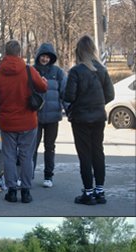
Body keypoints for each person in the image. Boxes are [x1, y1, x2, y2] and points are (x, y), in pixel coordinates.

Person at [0, 40, 47, 203]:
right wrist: (44, 82)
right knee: (27, 156)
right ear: (19, 53)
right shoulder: (29, 71)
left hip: (7, 123)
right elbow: (43, 88)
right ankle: (26, 192)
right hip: (28, 122)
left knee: (9, 156)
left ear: (5, 54)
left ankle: (12, 191)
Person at [61, 35, 115, 205]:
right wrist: (97, 104)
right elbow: (110, 95)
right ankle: (100, 191)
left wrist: (77, 106)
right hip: (98, 117)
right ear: (93, 50)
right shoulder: (102, 70)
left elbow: (69, 95)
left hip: (81, 119)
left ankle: (88, 193)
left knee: (85, 155)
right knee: (98, 153)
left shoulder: (76, 71)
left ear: (78, 51)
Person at [32, 43, 67, 188]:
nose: (45, 59)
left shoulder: (58, 72)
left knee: (50, 147)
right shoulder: (32, 71)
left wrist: (69, 111)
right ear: (38, 56)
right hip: (35, 117)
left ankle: (48, 176)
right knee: (32, 147)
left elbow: (65, 93)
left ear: (51, 58)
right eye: (42, 56)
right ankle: (29, 174)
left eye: (47, 57)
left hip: (53, 118)